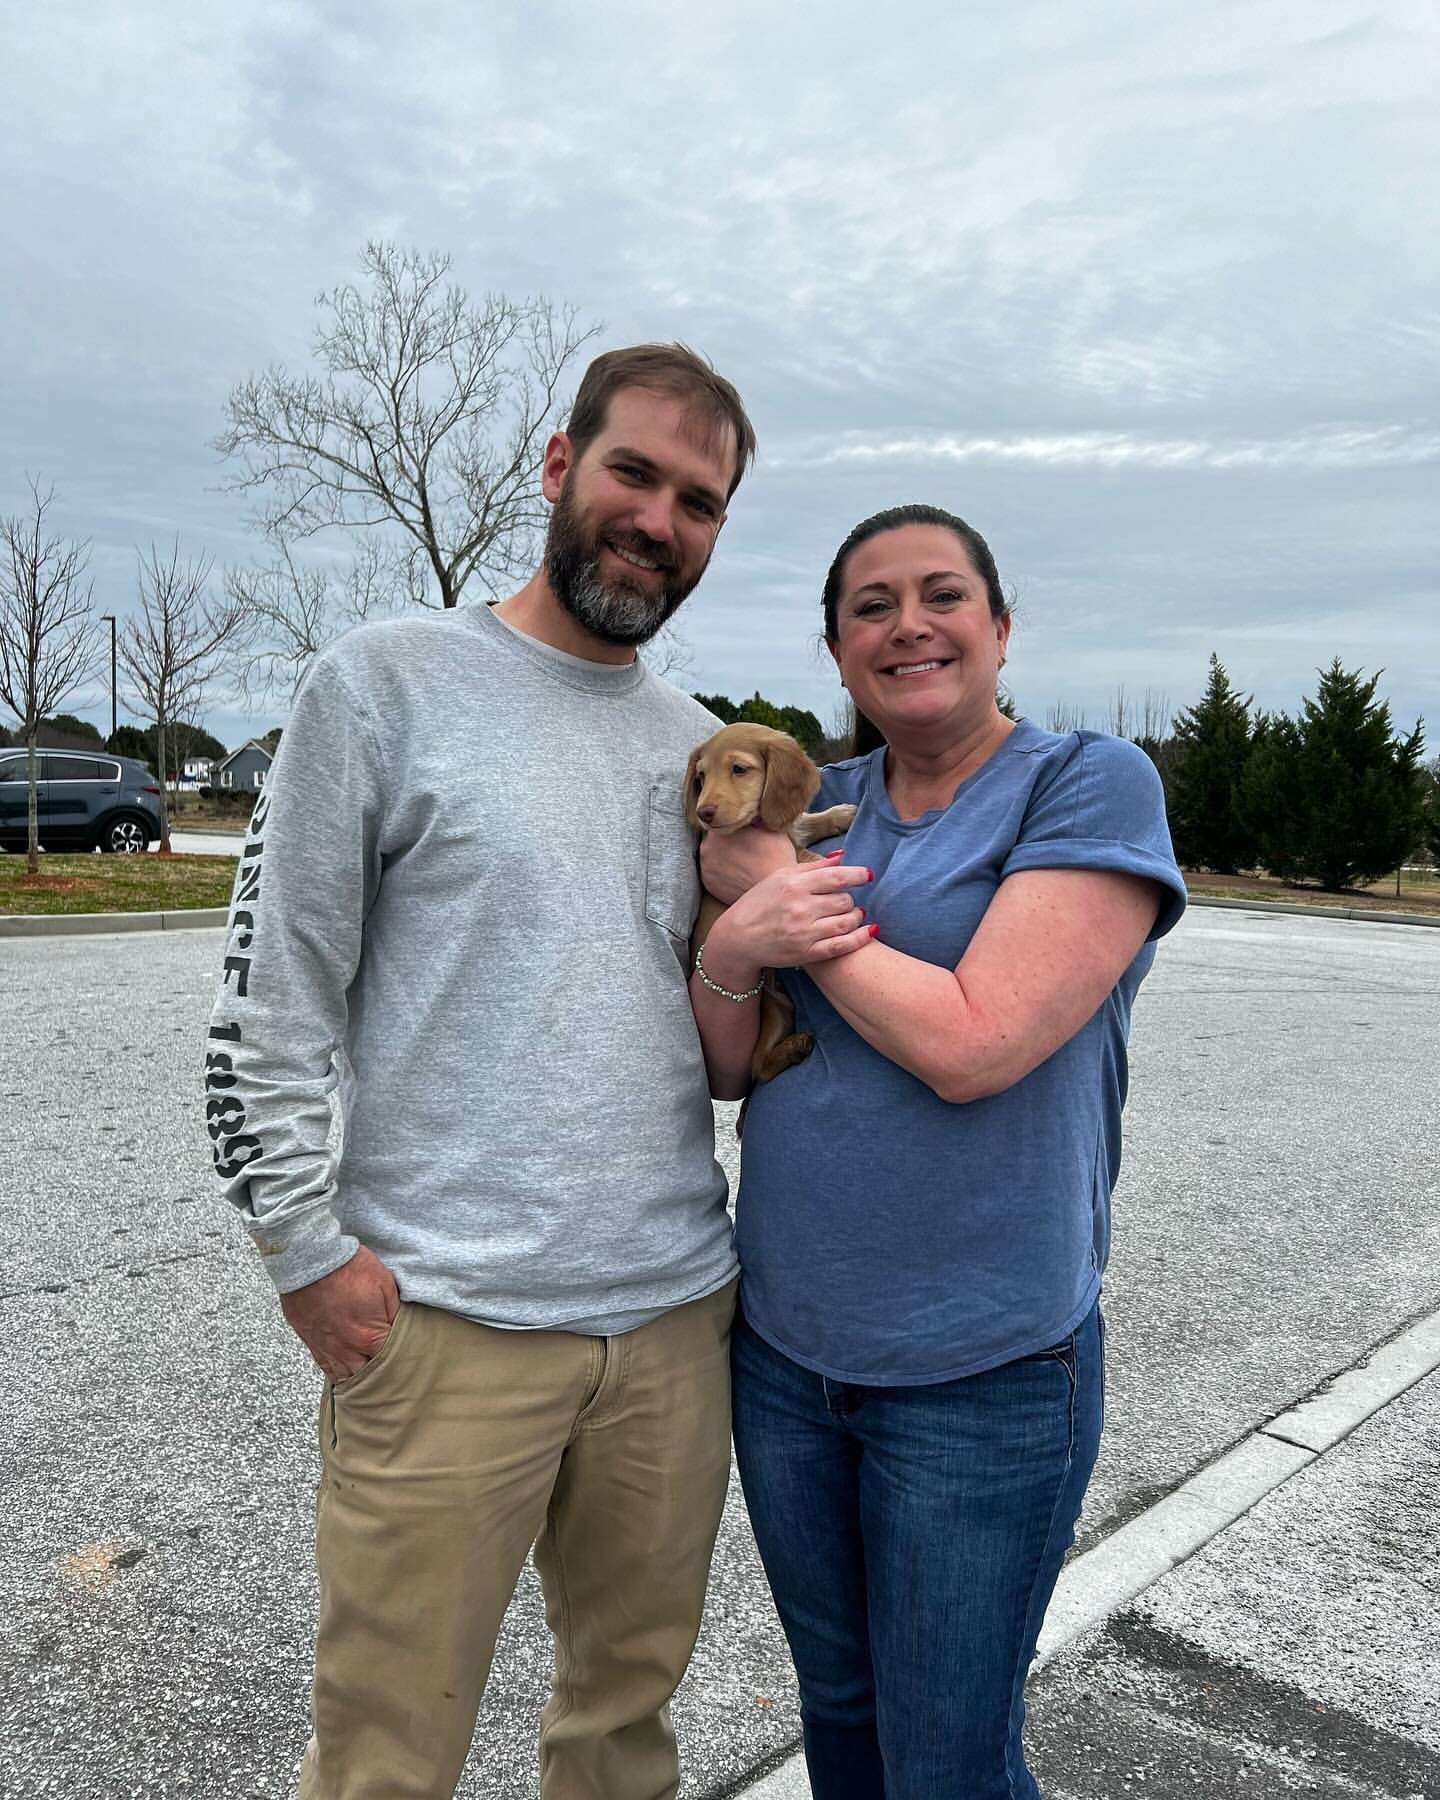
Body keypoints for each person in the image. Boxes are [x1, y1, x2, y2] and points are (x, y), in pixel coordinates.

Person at [203, 344, 769, 1800]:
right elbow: (270, 995)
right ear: (558, 465)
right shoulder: (381, 685)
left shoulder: (702, 753)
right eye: (635, 472)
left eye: (698, 502)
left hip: (671, 1330)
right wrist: (302, 1251)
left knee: (624, 1736)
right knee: (387, 1757)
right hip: (445, 1324)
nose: (658, 520)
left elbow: (711, 1028)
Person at [689, 503, 1186, 1799]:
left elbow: (977, 1043)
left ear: (1001, 627)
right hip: (787, 1358)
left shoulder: (1086, 782)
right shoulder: (819, 806)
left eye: (943, 594)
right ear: (837, 652)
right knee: (843, 1718)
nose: (908, 624)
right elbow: (730, 1068)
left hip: (982, 1373)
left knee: (948, 1760)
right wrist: (737, 943)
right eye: (871, 606)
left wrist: (785, 906)